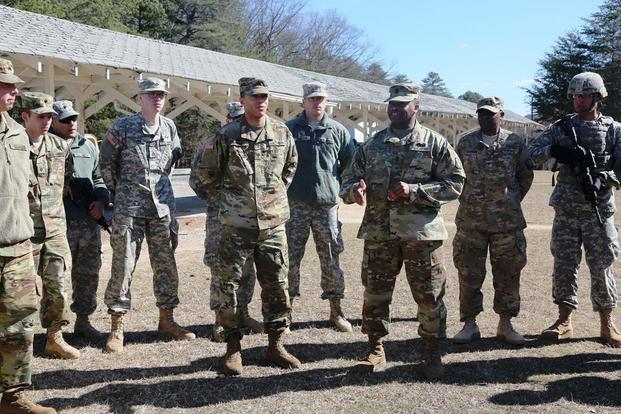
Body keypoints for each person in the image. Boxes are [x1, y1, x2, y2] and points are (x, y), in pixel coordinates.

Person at [340, 83, 465, 379]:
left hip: (421, 236)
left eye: (402, 104)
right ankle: (375, 347)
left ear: (416, 107)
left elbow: (456, 183)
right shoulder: (372, 144)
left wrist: (415, 191)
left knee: (430, 296)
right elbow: (348, 180)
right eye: (391, 104)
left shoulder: (434, 143)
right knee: (375, 294)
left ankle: (432, 351)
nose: (394, 109)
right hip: (379, 234)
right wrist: (352, 191)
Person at [193, 77, 299, 376]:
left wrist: (274, 198)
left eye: (264, 96)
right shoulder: (226, 135)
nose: (260, 101)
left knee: (277, 285)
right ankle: (232, 349)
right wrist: (227, 201)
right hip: (236, 227)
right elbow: (203, 175)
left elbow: (290, 166)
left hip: (273, 225)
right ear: (243, 100)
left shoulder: (281, 131)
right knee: (231, 288)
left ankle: (276, 344)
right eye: (254, 97)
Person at [100, 77, 195, 353]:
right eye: (151, 94)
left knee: (166, 265)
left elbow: (172, 161)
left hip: (162, 208)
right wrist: (120, 193)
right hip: (130, 208)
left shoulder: (169, 127)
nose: (157, 99)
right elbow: (106, 163)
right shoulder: (123, 127)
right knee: (123, 265)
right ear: (140, 97)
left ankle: (167, 320)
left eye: (161, 95)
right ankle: (117, 326)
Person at [529, 72, 621, 347]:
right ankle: (564, 320)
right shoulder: (561, 127)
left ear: (598, 97)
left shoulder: (614, 130)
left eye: (584, 96)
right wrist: (559, 151)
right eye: (575, 96)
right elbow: (533, 153)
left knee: (602, 265)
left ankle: (607, 322)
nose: (579, 101)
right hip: (567, 211)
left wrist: (606, 177)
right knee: (564, 265)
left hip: (599, 210)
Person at [0, 58, 57, 414]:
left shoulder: (19, 133)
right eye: (6, 86)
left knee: (20, 325)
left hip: (17, 245)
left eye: (13, 85)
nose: (14, 91)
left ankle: (13, 397)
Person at [452, 96, 534, 345]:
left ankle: (506, 324)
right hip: (471, 223)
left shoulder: (515, 142)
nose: (486, 117)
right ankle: (469, 324)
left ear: (502, 115)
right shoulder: (466, 143)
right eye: (481, 113)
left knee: (508, 274)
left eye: (491, 113)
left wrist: (509, 201)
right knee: (468, 274)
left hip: (506, 224)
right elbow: (456, 177)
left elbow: (525, 176)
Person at [285, 81, 356, 332]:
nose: (317, 103)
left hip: (326, 207)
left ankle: (336, 312)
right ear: (303, 101)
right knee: (289, 260)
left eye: (321, 99)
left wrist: (350, 189)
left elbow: (351, 165)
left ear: (327, 102)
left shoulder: (337, 131)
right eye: (312, 99)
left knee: (331, 259)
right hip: (295, 206)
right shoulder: (289, 129)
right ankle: (286, 313)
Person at [189, 101, 262, 342]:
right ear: (227, 119)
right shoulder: (213, 143)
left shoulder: (253, 143)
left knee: (247, 267)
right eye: (236, 118)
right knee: (221, 269)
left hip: (249, 219)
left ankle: (243, 313)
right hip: (221, 217)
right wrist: (222, 200)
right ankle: (220, 319)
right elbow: (196, 180)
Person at [22, 92, 78, 360]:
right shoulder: (13, 146)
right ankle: (20, 345)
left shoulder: (60, 146)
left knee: (58, 285)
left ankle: (55, 338)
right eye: (40, 116)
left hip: (55, 228)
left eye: (49, 116)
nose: (46, 121)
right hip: (24, 232)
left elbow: (65, 182)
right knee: (22, 291)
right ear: (25, 117)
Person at [51, 100, 110, 342]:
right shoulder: (46, 145)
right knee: (56, 279)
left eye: (73, 118)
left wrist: (100, 202)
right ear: (53, 121)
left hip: (87, 224)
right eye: (65, 120)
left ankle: (83, 322)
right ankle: (54, 330)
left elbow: (99, 179)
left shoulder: (87, 145)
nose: (71, 123)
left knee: (88, 275)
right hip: (58, 224)